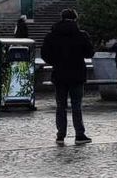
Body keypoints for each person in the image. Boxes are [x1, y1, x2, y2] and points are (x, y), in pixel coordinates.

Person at [40, 8, 95, 145]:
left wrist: (56, 62)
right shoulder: (81, 35)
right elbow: (90, 53)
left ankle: (60, 135)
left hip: (59, 74)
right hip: (77, 75)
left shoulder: (52, 35)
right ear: (75, 19)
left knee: (61, 106)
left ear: (61, 18)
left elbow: (45, 55)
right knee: (77, 105)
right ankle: (79, 135)